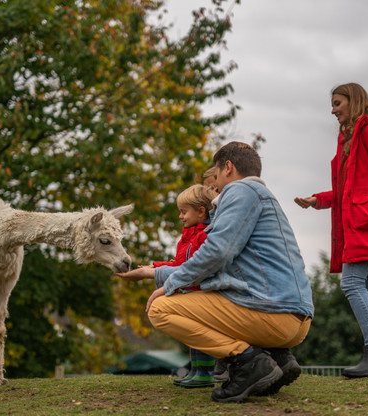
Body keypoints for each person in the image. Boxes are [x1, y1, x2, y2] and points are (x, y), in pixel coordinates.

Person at [118, 141, 314, 403]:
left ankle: (249, 362)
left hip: (273, 315)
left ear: (228, 168)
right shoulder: (265, 197)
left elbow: (216, 253)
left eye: (217, 175)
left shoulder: (240, 191)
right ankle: (276, 357)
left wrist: (170, 282)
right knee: (216, 295)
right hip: (295, 318)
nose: (214, 187)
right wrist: (157, 272)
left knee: (160, 309)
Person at [295, 83, 368, 378]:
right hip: (363, 222)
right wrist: (318, 200)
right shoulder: (349, 138)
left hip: (367, 222)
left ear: (353, 101)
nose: (333, 110)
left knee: (352, 284)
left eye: (337, 103)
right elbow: (348, 190)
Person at [141, 184, 217, 388]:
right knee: (193, 335)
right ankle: (196, 370)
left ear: (201, 211)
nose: (180, 217)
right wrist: (154, 266)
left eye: (184, 212)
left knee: (200, 332)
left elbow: (195, 266)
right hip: (188, 290)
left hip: (201, 292)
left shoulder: (205, 236)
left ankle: (206, 373)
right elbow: (178, 264)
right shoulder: (188, 236)